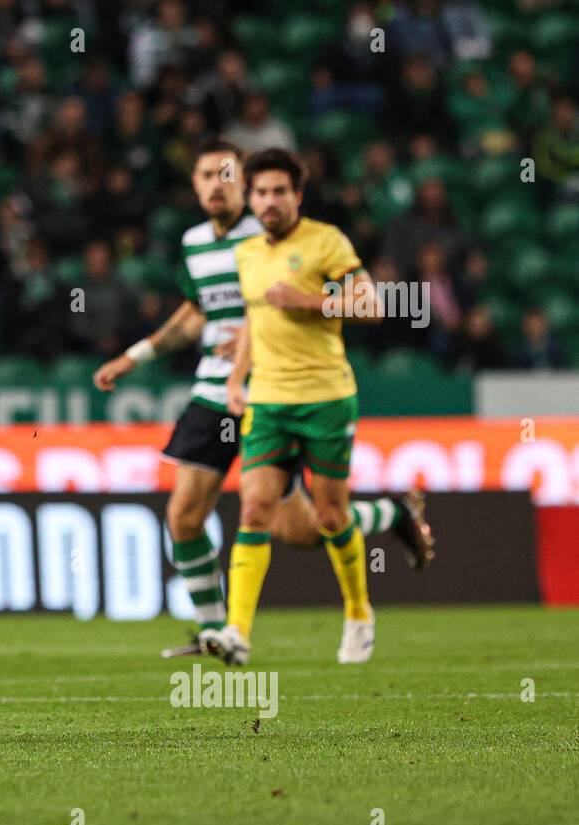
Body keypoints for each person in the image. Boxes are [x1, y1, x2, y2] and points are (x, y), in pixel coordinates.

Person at [94, 142, 433, 657]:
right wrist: (136, 356)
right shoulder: (195, 242)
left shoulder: (284, 234)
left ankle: (389, 516)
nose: (215, 184)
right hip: (216, 392)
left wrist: (286, 317)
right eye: (205, 174)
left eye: (225, 174)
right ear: (195, 184)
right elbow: (197, 313)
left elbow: (361, 304)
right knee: (186, 514)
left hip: (281, 392)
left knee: (309, 528)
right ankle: (217, 632)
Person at [217, 148, 385, 665]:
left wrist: (309, 300)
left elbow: (371, 306)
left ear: (297, 195)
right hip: (268, 400)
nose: (270, 201)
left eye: (279, 192)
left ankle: (359, 612)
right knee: (253, 507)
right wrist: (237, 376)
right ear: (249, 196)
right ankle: (236, 633)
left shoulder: (326, 241)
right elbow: (254, 318)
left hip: (326, 397)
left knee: (331, 515)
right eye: (261, 192)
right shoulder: (245, 252)